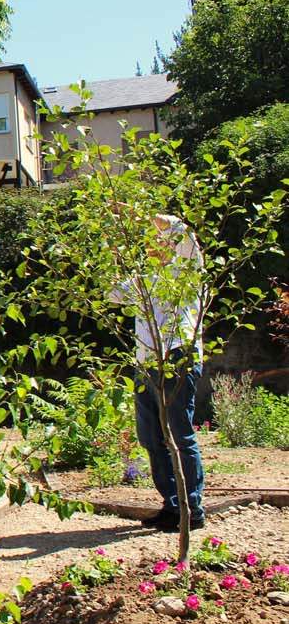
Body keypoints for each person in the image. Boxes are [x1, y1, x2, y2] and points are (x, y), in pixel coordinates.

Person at [118, 213, 206, 531]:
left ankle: (191, 508)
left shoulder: (186, 270)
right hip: (146, 366)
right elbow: (111, 294)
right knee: (152, 438)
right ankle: (172, 505)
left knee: (179, 435)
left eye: (157, 239)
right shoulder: (142, 280)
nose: (151, 244)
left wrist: (142, 213)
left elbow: (184, 235)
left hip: (177, 359)